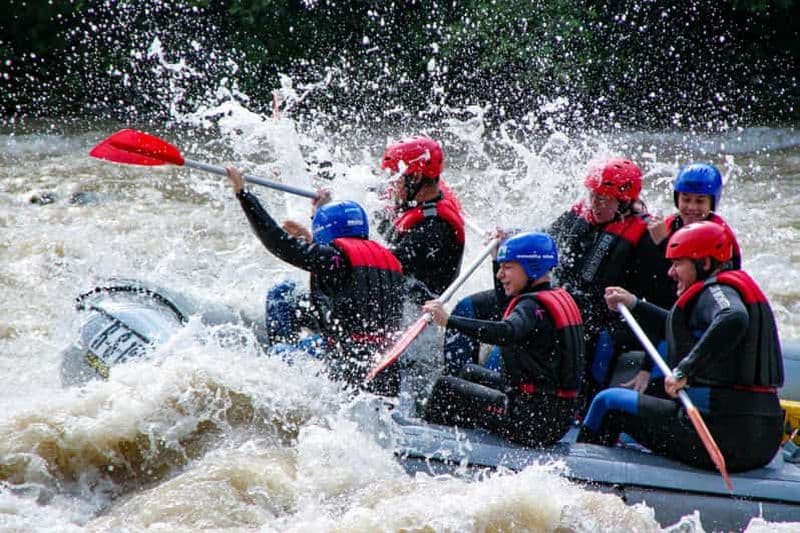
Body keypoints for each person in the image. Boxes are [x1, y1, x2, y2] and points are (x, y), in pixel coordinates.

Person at [578, 221, 784, 472]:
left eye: (678, 264)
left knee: (607, 402)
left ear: (704, 264)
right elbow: (681, 331)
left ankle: (581, 478)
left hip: (724, 437)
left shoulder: (717, 292)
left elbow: (733, 318)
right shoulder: (725, 290)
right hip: (762, 438)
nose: (670, 272)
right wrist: (633, 304)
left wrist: (684, 371)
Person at [225, 167, 405, 392]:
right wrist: (317, 220)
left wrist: (243, 194)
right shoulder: (386, 258)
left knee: (282, 352)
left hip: (346, 365)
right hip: (383, 367)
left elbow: (275, 240)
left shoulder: (334, 259)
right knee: (284, 293)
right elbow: (345, 280)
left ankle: (279, 364)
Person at [421, 232, 584, 447]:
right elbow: (506, 305)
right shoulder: (554, 297)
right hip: (551, 413)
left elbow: (506, 331)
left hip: (530, 422)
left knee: (446, 387)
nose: (500, 275)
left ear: (531, 267)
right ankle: (464, 436)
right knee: (467, 372)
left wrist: (449, 321)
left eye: (508, 267)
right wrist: (496, 256)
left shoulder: (531, 306)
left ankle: (430, 448)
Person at [625, 162, 744, 392]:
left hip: (697, 321)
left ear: (712, 203)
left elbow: (689, 295)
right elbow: (657, 290)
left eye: (700, 201)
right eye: (686, 199)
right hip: (669, 314)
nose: (691, 207)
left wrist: (663, 247)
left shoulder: (721, 238)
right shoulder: (668, 226)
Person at [376, 136, 465, 297]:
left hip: (415, 307)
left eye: (396, 176)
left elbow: (376, 266)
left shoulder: (431, 231)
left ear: (416, 177)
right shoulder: (423, 198)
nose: (391, 183)